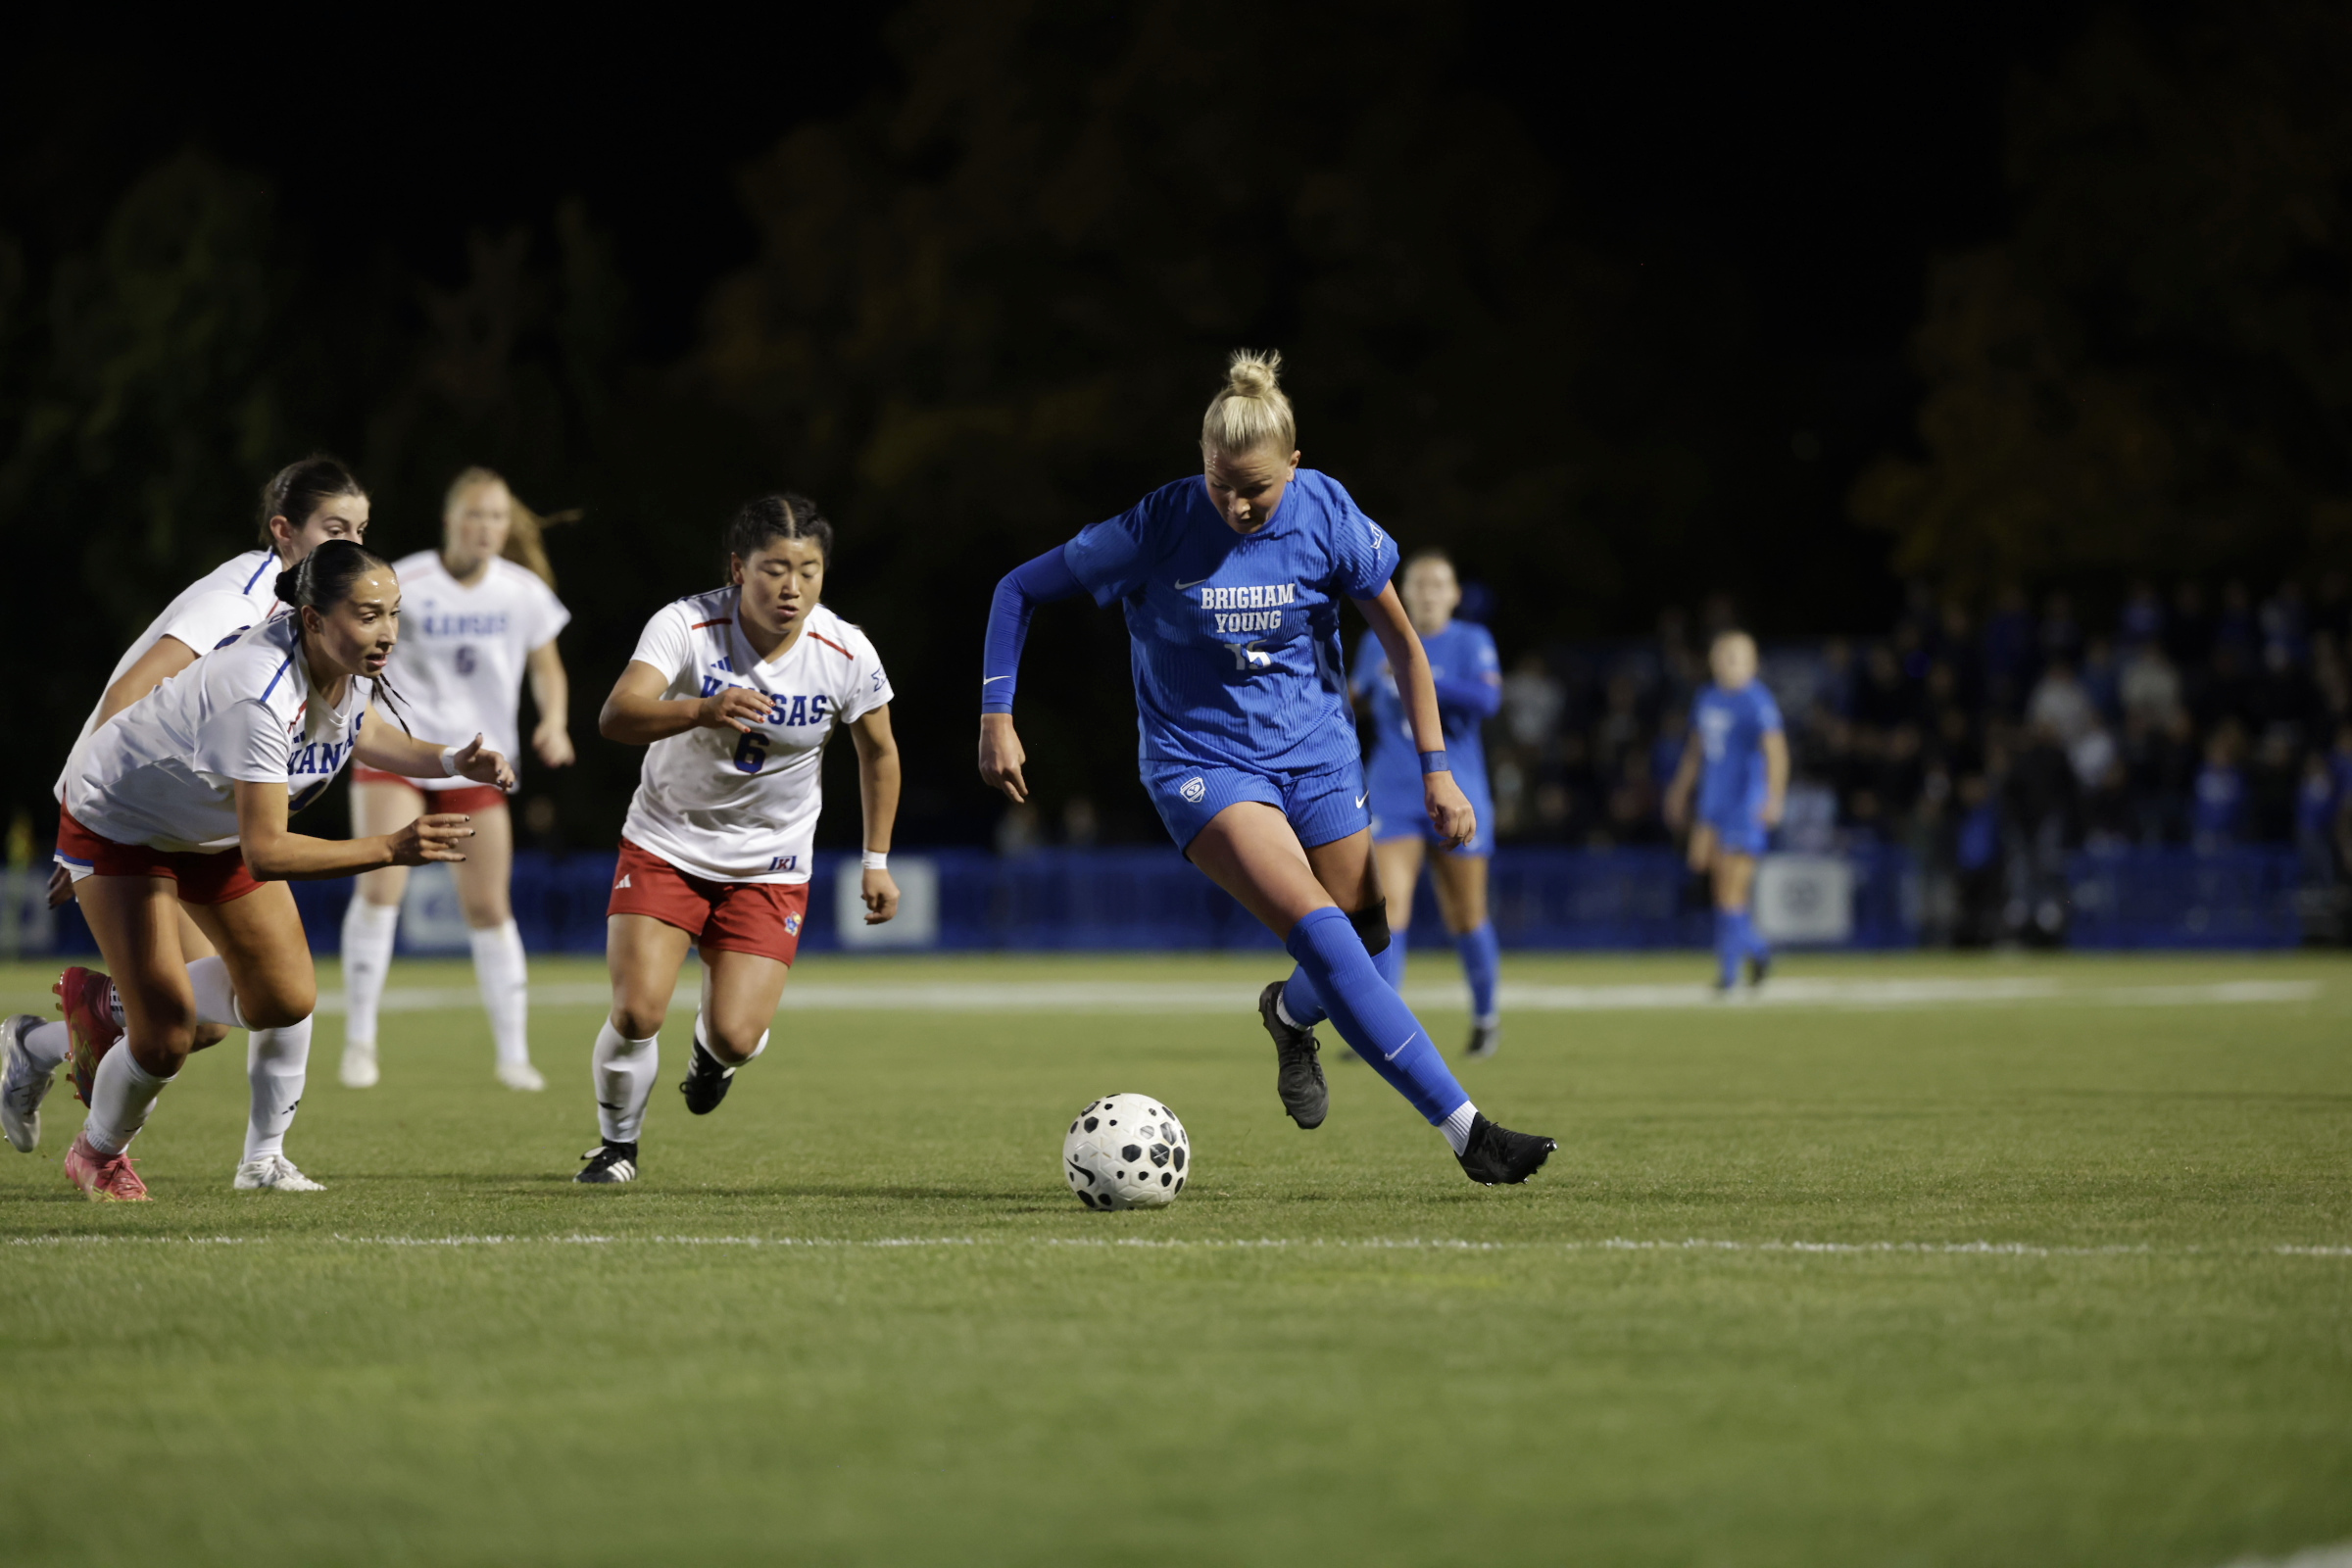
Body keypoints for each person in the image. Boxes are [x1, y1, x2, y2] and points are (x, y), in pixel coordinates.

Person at [978, 350, 1554, 1185]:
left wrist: (1438, 768)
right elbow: (1015, 590)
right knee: (1324, 930)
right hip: (1201, 763)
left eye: (1256, 488)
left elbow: (1401, 642)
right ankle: (1470, 1133)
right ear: (1201, 467)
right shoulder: (1159, 524)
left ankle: (1288, 1014)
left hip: (1318, 753)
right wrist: (998, 713)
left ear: (1295, 462)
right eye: (1221, 485)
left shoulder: (1327, 512)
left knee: (1361, 932)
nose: (1238, 505)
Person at [34, 541, 513, 1200]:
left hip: (210, 822)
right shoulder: (257, 691)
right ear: (313, 618)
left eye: (395, 614)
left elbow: (359, 731)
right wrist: (390, 847)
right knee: (168, 1037)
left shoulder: (339, 659)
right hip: (125, 823)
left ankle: (118, 1013)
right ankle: (97, 1152)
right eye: (369, 616)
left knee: (285, 1000)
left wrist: (451, 760)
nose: (388, 633)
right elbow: (268, 852)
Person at [2, 457, 369, 1165]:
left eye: (361, 528)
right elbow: (131, 694)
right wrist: (77, 815)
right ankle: (102, 1142)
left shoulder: (319, 611)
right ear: (284, 531)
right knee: (169, 1023)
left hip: (204, 823)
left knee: (205, 1023)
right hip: (141, 817)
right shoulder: (242, 596)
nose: (350, 542)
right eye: (335, 527)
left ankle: (34, 1044)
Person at [573, 494, 901, 1185]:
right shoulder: (687, 624)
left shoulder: (845, 649)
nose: (792, 587)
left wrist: (876, 860)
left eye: (809, 570)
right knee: (636, 1010)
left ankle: (711, 1058)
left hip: (771, 861)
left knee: (737, 1036)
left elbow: (879, 752)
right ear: (736, 568)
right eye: (774, 568)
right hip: (669, 840)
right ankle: (616, 1148)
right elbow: (616, 715)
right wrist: (701, 707)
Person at [339, 468, 574, 1092]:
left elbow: (547, 668)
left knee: (489, 906)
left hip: (476, 759)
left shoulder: (522, 591)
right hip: (400, 750)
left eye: (497, 517)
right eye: (475, 516)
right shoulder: (403, 581)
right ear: (450, 522)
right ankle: (359, 1041)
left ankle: (514, 1055)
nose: (486, 528)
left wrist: (554, 722)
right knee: (381, 891)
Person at [1350, 550, 1505, 1056]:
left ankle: (1485, 1019)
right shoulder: (1376, 640)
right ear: (1404, 591)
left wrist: (1421, 679)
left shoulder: (1470, 641)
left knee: (1466, 915)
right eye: (1419, 583)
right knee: (1387, 913)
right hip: (1394, 792)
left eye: (1439, 583)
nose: (1428, 592)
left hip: (1458, 791)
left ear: (1455, 594)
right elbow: (1351, 699)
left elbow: (1487, 701)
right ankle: (1383, 1030)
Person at [1664, 630, 1789, 993]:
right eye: (1722, 655)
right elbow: (1695, 752)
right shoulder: (1707, 698)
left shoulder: (1756, 701)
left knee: (1731, 892)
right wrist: (1679, 791)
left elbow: (1777, 753)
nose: (1727, 662)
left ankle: (1730, 975)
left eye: (1736, 656)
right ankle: (1758, 951)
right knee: (1714, 885)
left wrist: (1774, 797)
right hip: (1712, 807)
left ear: (1752, 663)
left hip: (1744, 806)